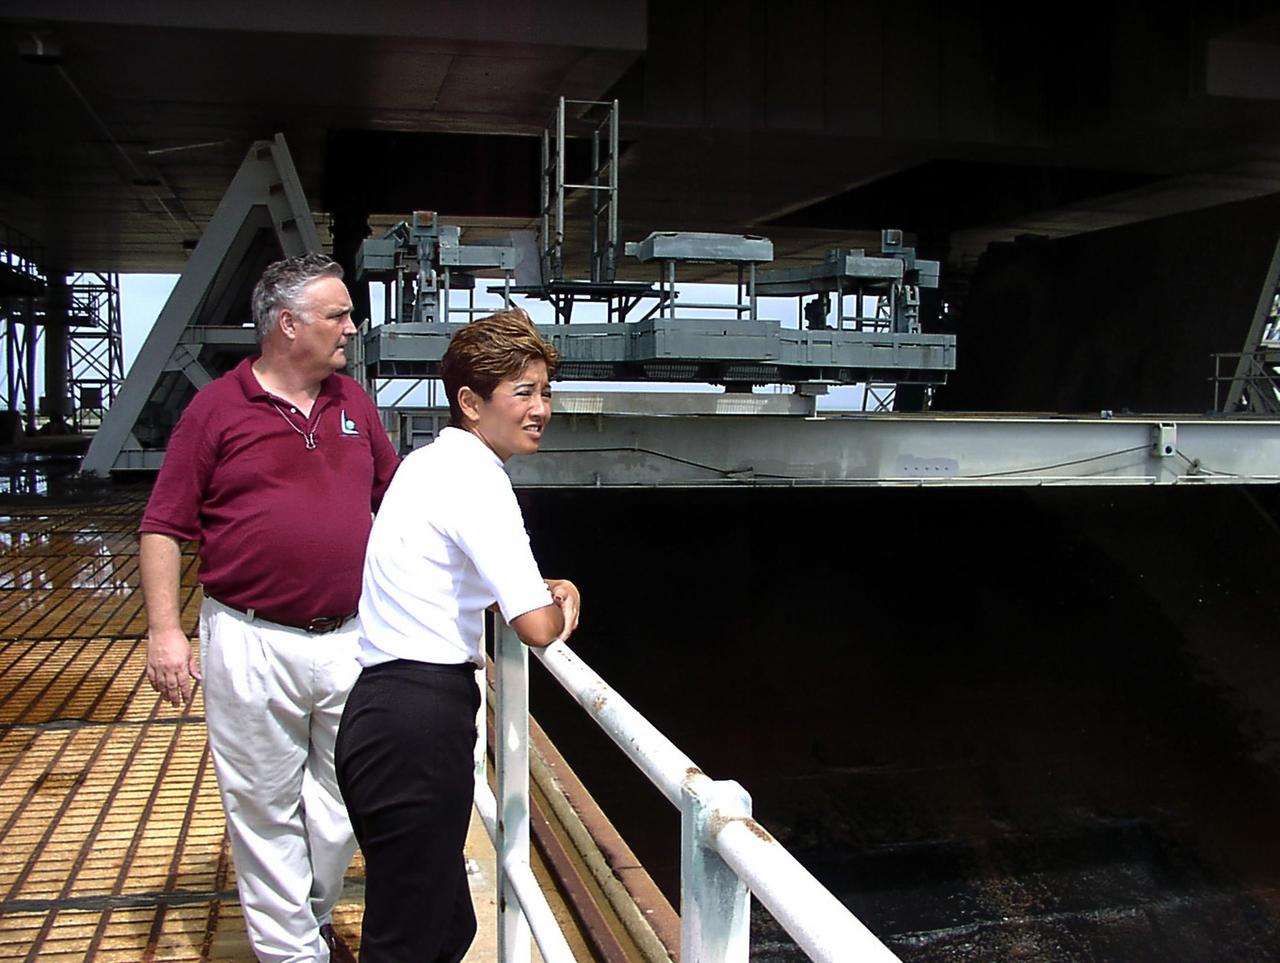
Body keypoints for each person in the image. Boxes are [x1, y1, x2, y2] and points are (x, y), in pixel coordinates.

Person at [139, 253, 400, 963]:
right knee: (261, 806)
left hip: (352, 636)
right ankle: (292, 952)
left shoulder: (353, 401)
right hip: (250, 639)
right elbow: (164, 523)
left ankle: (306, 916)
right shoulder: (216, 409)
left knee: (346, 797)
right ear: (288, 326)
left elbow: (401, 506)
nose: (352, 326)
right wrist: (164, 632)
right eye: (337, 314)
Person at [336, 308, 580, 963]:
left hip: (382, 712)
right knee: (409, 943)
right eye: (522, 392)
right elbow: (533, 626)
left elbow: (461, 570)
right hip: (420, 723)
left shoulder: (427, 464)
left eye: (545, 391)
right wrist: (562, 600)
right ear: (471, 402)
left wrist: (529, 585)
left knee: (447, 929)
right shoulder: (479, 479)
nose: (540, 408)